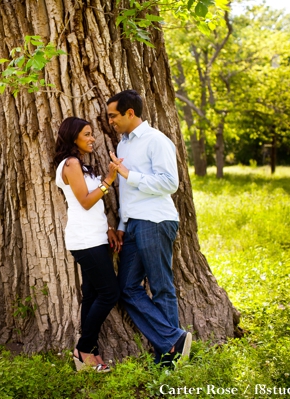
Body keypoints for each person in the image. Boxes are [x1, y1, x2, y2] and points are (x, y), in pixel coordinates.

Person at [107, 90, 192, 365]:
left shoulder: (157, 140)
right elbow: (125, 192)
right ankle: (173, 339)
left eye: (113, 116)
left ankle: (168, 359)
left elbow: (170, 183)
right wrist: (121, 224)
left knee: (161, 287)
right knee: (127, 288)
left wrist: (128, 174)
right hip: (132, 224)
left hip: (155, 220)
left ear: (130, 113)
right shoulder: (122, 145)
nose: (110, 121)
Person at [54, 116, 121, 373]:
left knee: (93, 294)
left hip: (96, 236)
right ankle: (83, 349)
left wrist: (109, 229)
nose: (92, 138)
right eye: (87, 134)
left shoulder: (80, 165)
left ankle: (89, 354)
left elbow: (95, 210)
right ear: (73, 138)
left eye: (92, 133)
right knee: (110, 293)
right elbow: (85, 202)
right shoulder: (70, 164)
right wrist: (109, 179)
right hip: (85, 240)